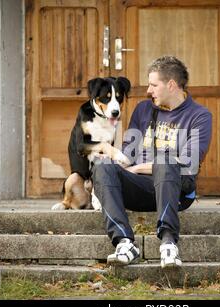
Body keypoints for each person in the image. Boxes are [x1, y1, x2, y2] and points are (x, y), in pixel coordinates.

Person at [91, 56, 212, 268]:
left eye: (154, 85)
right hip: (141, 188)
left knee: (166, 161)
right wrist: (103, 177)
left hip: (177, 191)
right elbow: (127, 155)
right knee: (102, 165)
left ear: (171, 85)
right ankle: (124, 243)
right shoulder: (143, 110)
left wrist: (139, 167)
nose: (149, 90)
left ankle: (168, 243)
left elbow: (188, 163)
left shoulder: (199, 115)